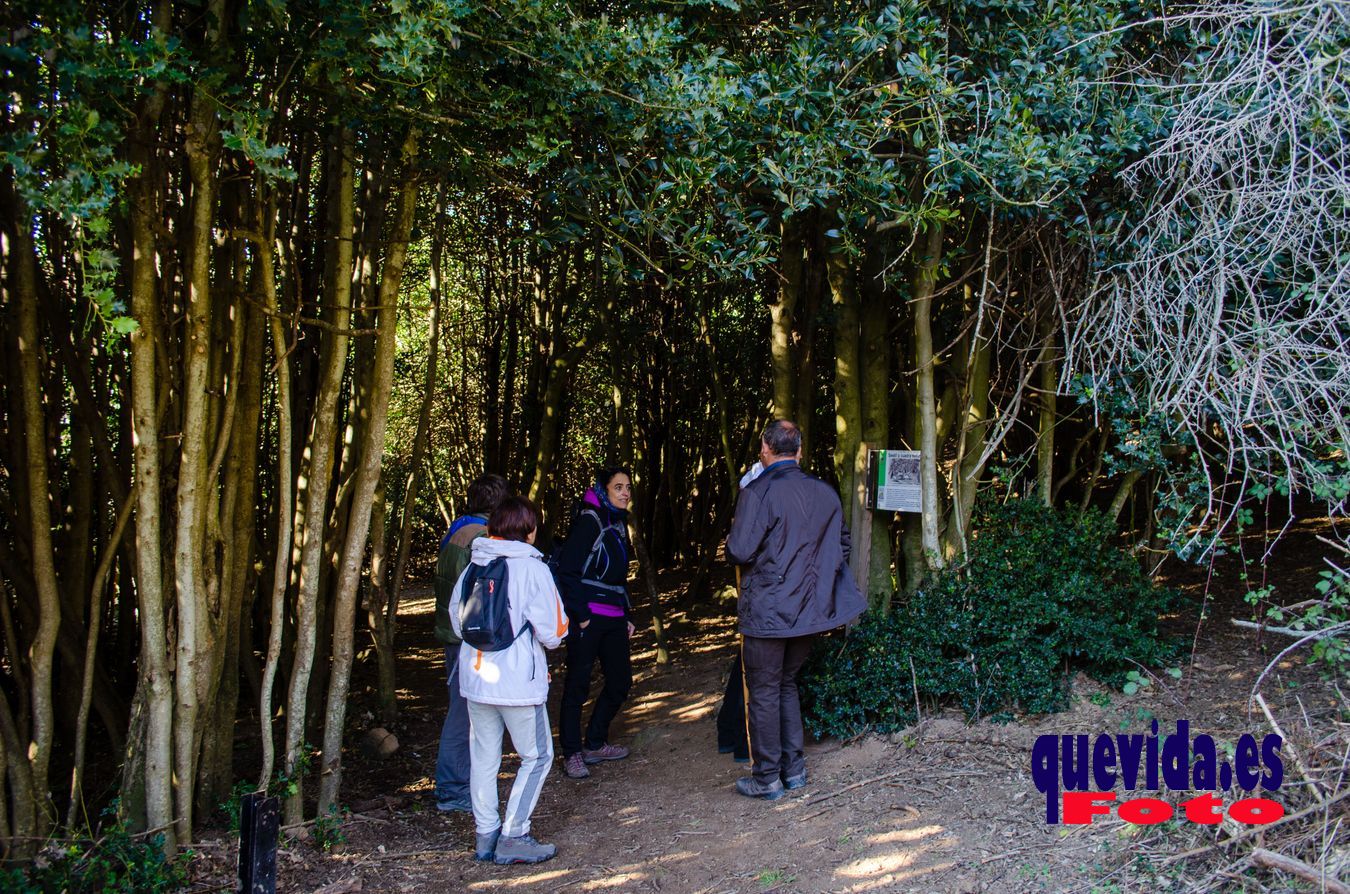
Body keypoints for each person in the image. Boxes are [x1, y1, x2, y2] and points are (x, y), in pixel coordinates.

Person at [725, 420, 867, 800]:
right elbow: (843, 546)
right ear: (800, 451)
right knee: (786, 685)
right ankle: (795, 771)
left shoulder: (758, 493)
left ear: (764, 449)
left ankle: (767, 777)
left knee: (766, 690)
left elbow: (739, 550)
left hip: (769, 613)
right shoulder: (825, 493)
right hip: (808, 612)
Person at [449, 495, 569, 864]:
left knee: (483, 757)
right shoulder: (533, 569)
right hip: (517, 683)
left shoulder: (473, 565)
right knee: (538, 756)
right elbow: (553, 631)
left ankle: (485, 835)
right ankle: (515, 833)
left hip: (476, 678)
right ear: (529, 530)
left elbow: (457, 620)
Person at [432, 473, 509, 813]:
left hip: (455, 634)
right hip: (466, 638)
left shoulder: (457, 531)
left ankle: (462, 782)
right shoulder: (480, 540)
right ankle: (452, 789)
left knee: (465, 711)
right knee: (462, 714)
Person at [555, 466, 636, 780]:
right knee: (577, 685)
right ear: (604, 490)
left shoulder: (616, 523)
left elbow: (617, 577)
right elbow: (568, 571)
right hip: (589, 618)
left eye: (628, 487)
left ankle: (595, 743)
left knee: (620, 682)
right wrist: (582, 616)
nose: (625, 493)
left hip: (614, 617)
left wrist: (626, 616)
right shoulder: (589, 521)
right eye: (618, 487)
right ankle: (573, 753)